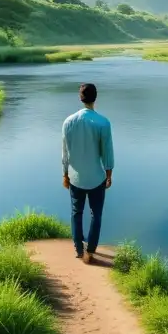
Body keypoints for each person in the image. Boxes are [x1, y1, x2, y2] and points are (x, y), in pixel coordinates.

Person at [61, 82, 114, 264]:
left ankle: (78, 249)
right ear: (95, 98)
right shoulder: (103, 122)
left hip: (75, 177)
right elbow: (107, 153)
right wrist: (109, 175)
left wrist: (65, 175)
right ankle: (90, 251)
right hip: (96, 178)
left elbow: (65, 153)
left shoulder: (68, 122)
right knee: (96, 215)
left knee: (76, 213)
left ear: (80, 98)